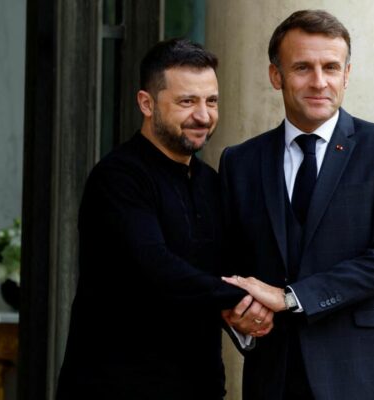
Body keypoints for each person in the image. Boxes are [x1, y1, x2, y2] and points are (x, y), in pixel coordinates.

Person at [218, 9, 374, 400]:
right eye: (302, 67)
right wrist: (240, 315)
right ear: (276, 75)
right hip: (275, 376)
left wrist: (291, 298)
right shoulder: (240, 161)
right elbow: (234, 266)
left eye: (331, 67)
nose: (319, 81)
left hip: (368, 376)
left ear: (346, 75)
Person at [56, 38, 272, 399]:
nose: (203, 116)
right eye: (187, 102)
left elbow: (228, 268)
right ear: (146, 103)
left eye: (211, 101)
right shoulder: (118, 177)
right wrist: (243, 298)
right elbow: (155, 268)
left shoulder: (211, 183)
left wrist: (266, 301)